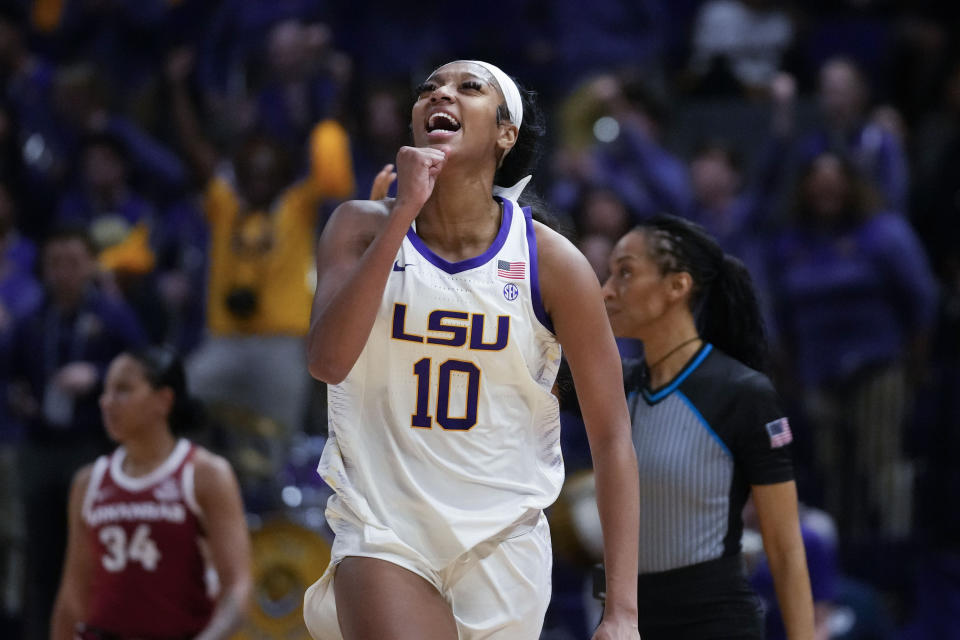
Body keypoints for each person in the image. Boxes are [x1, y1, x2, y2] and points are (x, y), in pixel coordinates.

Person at [302, 60, 641, 640]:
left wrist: (623, 611)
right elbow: (327, 363)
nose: (441, 94)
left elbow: (612, 438)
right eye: (429, 89)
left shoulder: (551, 262)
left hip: (503, 540)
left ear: (505, 133)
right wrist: (402, 213)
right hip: (383, 527)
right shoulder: (360, 227)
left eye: (468, 88)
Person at [601, 214, 815, 639]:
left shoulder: (744, 393)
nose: (606, 291)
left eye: (625, 272)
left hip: (714, 624)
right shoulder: (615, 385)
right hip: (632, 623)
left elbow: (786, 548)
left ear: (677, 286)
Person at [50, 346, 252, 640]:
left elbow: (238, 586)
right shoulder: (89, 481)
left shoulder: (205, 474)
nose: (106, 402)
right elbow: (72, 597)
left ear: (163, 400)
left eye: (123, 390)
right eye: (105, 391)